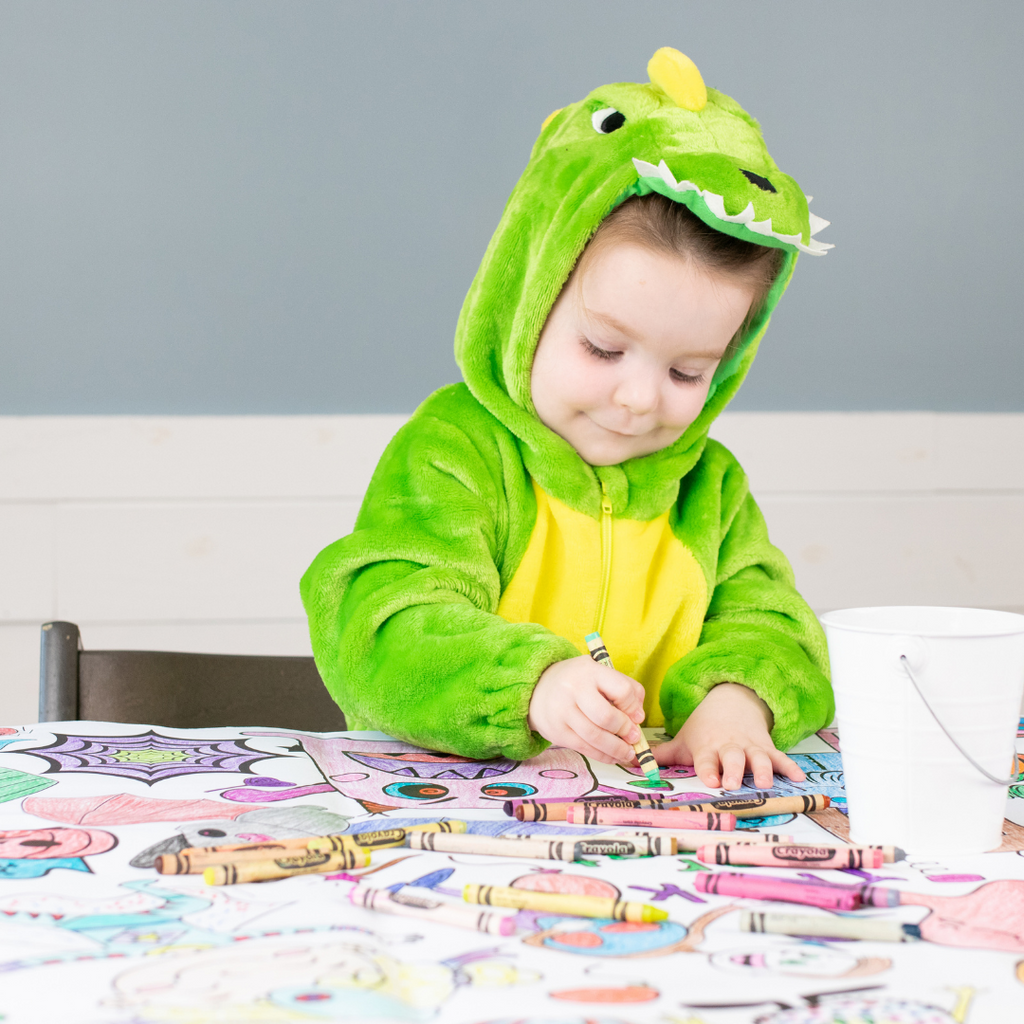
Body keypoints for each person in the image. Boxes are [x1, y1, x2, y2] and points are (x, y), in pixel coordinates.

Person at [301, 48, 834, 792]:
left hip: (650, 851)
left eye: (688, 372)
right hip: (444, 828)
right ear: (527, 300)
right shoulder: (454, 450)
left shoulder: (709, 488)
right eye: (603, 347)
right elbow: (382, 627)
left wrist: (736, 701)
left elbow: (774, 625)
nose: (640, 399)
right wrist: (534, 685)